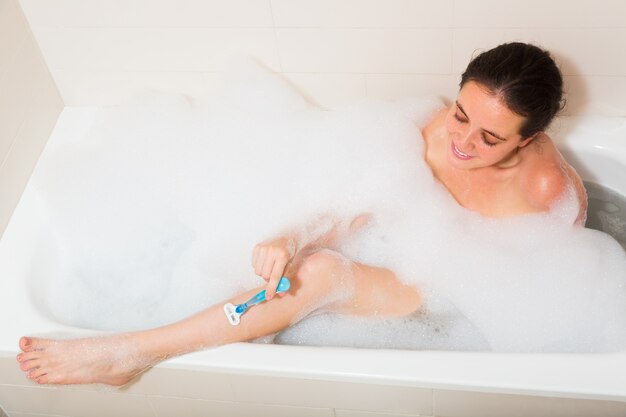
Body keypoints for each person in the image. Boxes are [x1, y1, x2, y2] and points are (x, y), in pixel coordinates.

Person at [15, 42, 587, 386]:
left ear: (529, 137)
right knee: (302, 262)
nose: (461, 140)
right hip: (415, 252)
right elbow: (362, 204)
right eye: (462, 113)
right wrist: (291, 234)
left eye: (489, 137)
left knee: (321, 276)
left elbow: (539, 288)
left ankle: (131, 352)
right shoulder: (434, 129)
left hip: (454, 289)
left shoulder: (548, 193)